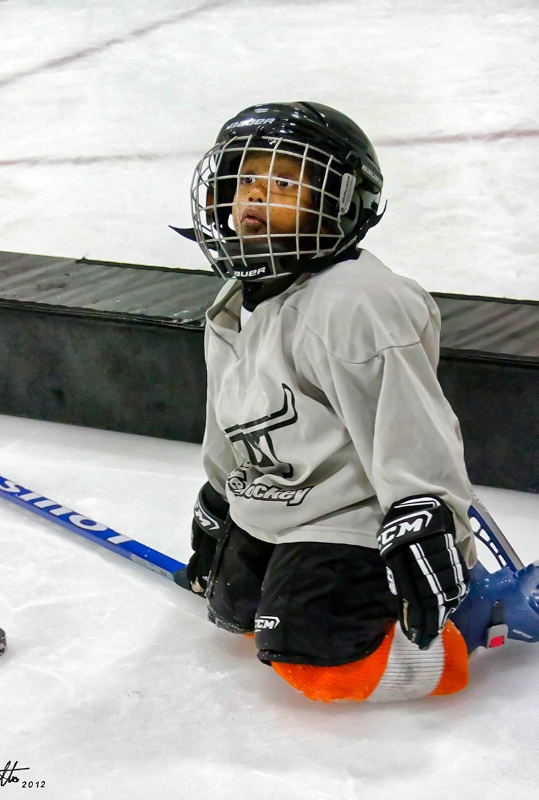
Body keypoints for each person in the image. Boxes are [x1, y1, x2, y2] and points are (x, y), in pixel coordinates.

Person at [173, 101, 478, 702]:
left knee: (318, 660)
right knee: (233, 611)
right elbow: (231, 418)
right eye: (246, 180)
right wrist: (220, 493)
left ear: (341, 203)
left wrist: (428, 517)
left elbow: (411, 427)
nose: (255, 198)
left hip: (351, 516)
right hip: (279, 502)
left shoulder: (356, 301)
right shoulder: (238, 297)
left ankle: (457, 640)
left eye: (284, 182)